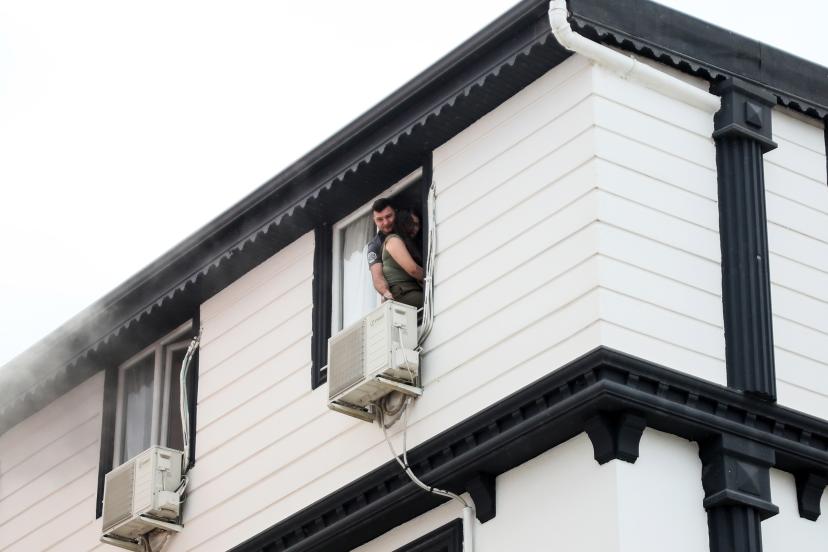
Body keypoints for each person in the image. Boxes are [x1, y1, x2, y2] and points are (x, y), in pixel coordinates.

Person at [382, 210, 424, 309]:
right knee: (436, 300)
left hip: (409, 291)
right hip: (402, 292)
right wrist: (432, 277)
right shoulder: (393, 240)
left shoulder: (407, 244)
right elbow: (413, 270)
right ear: (403, 223)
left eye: (418, 225)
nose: (416, 228)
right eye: (413, 224)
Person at [367, 198, 395, 301]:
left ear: (395, 212)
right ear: (374, 220)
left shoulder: (408, 227)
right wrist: (386, 293)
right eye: (380, 219)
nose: (386, 222)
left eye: (388, 216)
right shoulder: (375, 246)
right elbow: (377, 276)